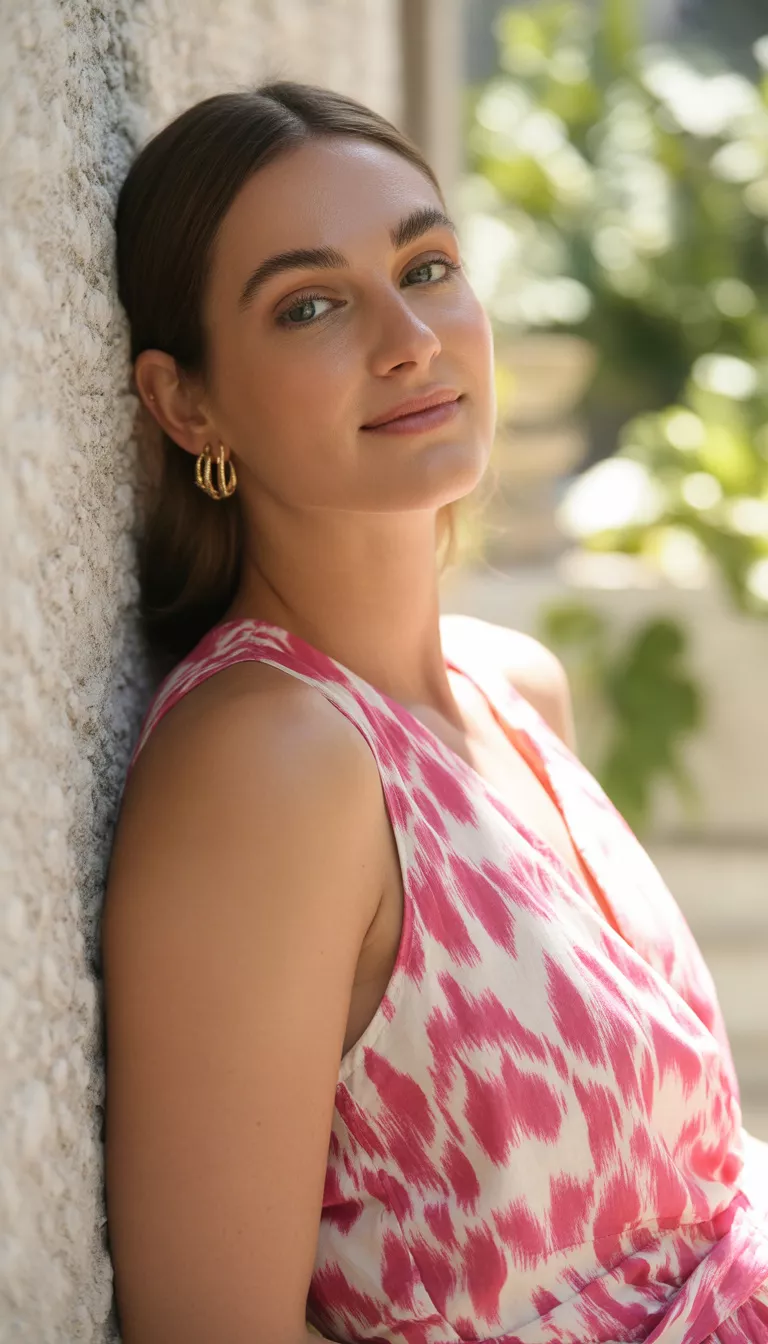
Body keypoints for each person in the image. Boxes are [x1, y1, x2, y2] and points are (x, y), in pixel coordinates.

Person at [101, 81, 768, 1344]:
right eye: (311, 304)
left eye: (429, 264)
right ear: (188, 404)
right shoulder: (274, 762)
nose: (408, 336)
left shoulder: (510, 691)